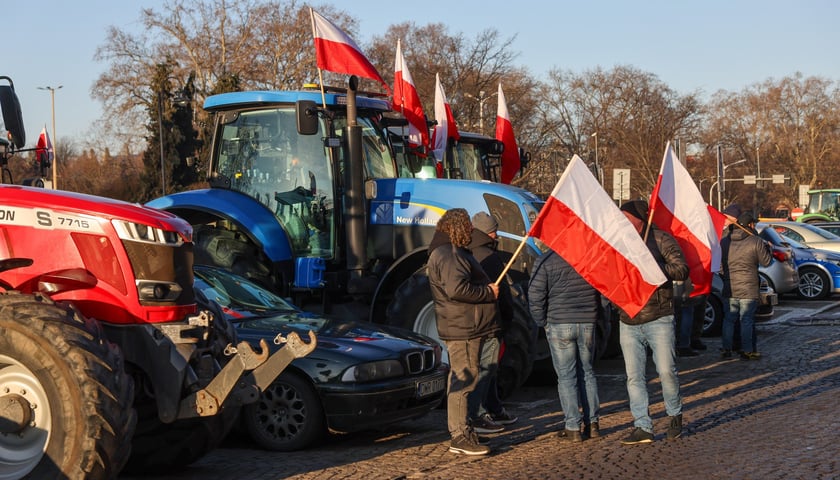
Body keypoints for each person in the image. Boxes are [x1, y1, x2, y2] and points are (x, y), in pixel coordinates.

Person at [427, 208, 500, 455]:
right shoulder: (449, 253)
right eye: (467, 225)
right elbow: (457, 289)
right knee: (463, 379)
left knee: (465, 377)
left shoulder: (450, 252)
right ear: (457, 227)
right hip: (463, 327)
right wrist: (488, 293)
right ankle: (459, 436)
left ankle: (464, 430)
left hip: (465, 325)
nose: (471, 229)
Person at [618, 200, 689, 445]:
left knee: (666, 371)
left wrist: (654, 266)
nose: (623, 221)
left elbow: (681, 270)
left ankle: (674, 415)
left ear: (639, 218)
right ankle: (643, 426)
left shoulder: (661, 239)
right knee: (634, 377)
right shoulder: (620, 243)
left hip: (659, 317)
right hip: (628, 319)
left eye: (626, 216)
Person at [528, 248, 602, 442]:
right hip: (587, 322)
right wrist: (595, 314)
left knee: (566, 377)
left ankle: (573, 426)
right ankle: (593, 424)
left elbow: (535, 296)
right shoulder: (588, 258)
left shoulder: (545, 261)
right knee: (587, 372)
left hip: (559, 323)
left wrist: (542, 322)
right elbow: (602, 290)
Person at [468, 211, 518, 433]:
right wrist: (508, 317)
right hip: (490, 321)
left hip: (471, 321)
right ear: (490, 232)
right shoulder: (490, 257)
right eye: (495, 230)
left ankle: (493, 407)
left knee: (483, 367)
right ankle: (479, 414)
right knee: (487, 368)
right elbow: (504, 294)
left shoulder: (465, 253)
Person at [720, 211, 772, 360]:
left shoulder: (724, 242)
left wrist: (727, 278)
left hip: (729, 287)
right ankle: (747, 350)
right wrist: (768, 248)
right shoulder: (755, 241)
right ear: (750, 225)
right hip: (748, 288)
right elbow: (766, 262)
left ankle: (726, 348)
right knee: (746, 320)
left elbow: (720, 265)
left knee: (729, 319)